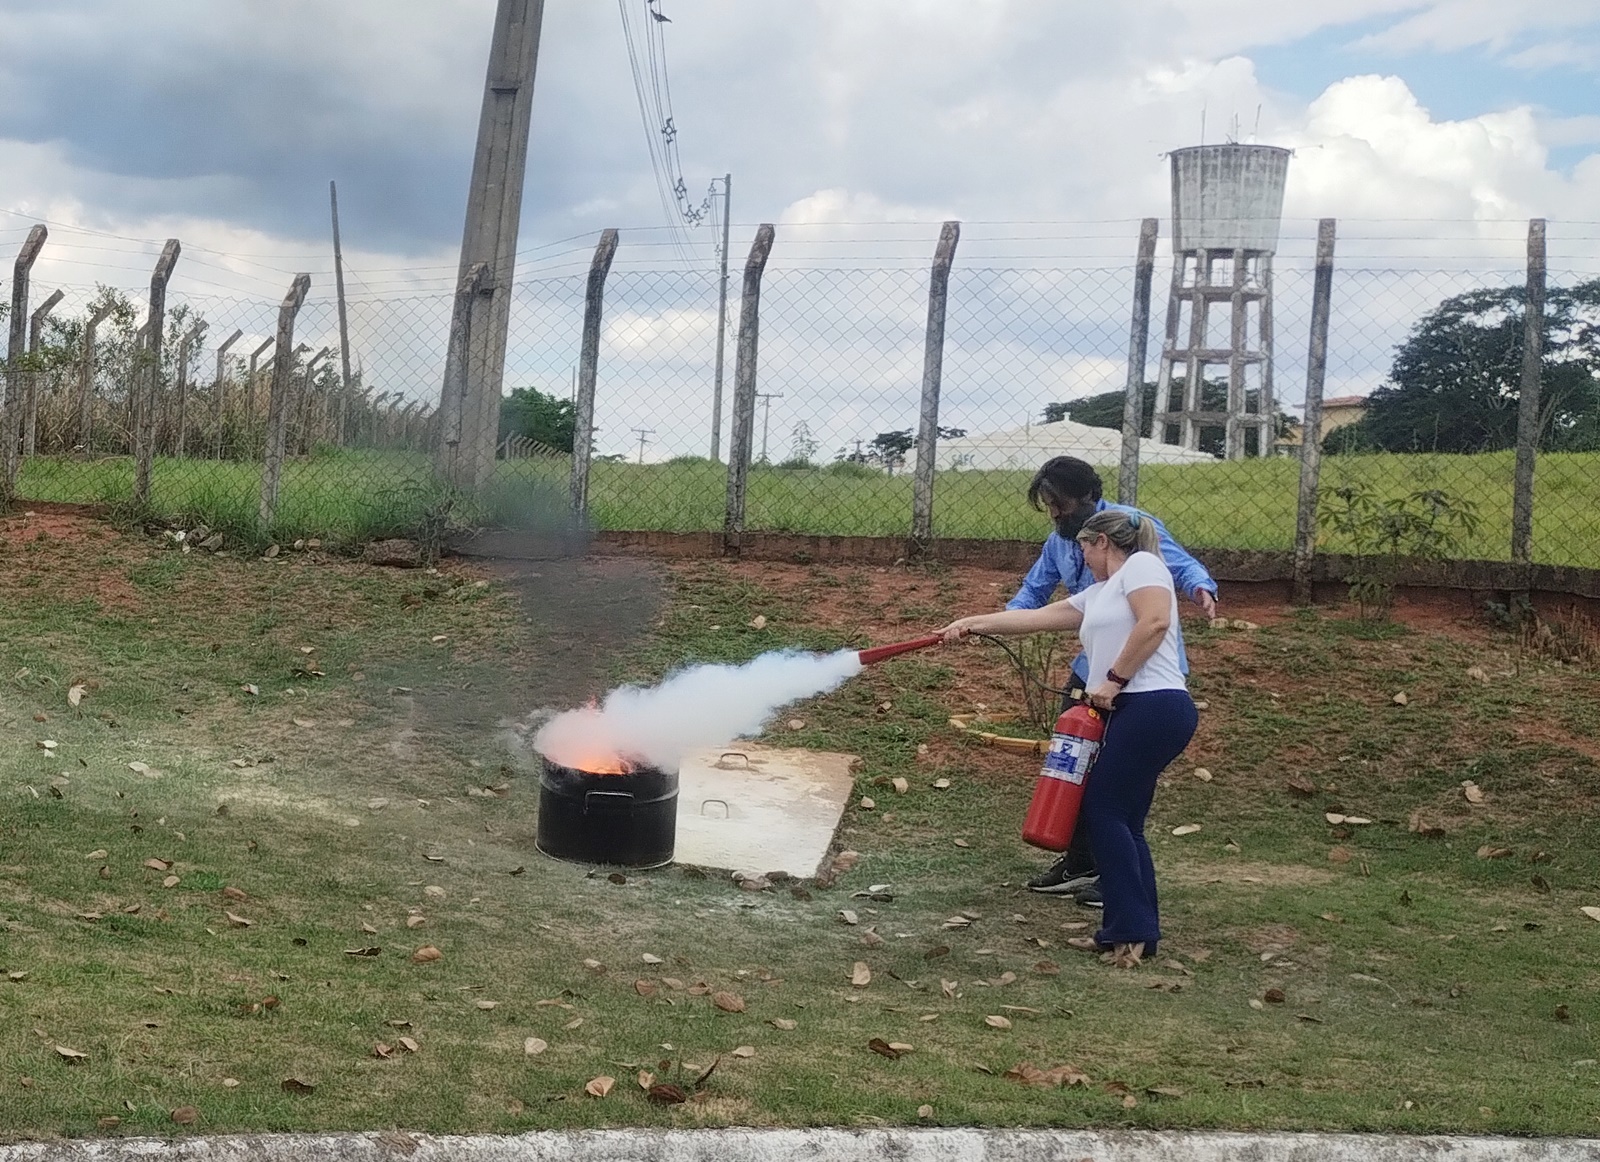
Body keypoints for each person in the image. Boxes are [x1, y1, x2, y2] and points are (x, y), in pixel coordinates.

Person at [938, 508, 1198, 968]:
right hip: (1133, 710)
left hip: (1152, 705)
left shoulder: (1141, 566)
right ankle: (1132, 932)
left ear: (1102, 542)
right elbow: (1036, 617)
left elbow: (1155, 623)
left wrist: (1113, 680)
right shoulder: (1100, 594)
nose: (1080, 556)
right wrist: (969, 622)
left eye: (1083, 547)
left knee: (1104, 811)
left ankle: (1130, 930)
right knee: (1123, 819)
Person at [1007, 456, 1215, 902]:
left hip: (1140, 678)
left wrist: (1201, 587)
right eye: (1048, 506)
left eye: (1059, 504)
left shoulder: (1131, 529)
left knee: (1119, 785)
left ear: (1086, 498)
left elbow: (1177, 566)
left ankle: (1114, 877)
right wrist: (997, 622)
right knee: (1072, 762)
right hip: (1092, 672)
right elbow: (1035, 593)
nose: (1055, 515)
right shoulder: (1060, 542)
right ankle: (1080, 860)